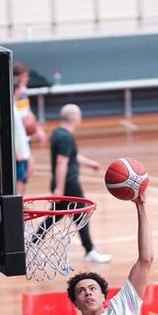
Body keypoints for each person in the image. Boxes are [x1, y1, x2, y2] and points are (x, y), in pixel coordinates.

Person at [50, 104, 110, 264]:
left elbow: (71, 156)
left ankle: (33, 244)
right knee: (81, 215)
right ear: (74, 117)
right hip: (68, 184)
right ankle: (90, 250)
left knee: (56, 217)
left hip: (63, 183)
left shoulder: (58, 133)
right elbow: (61, 162)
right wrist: (60, 189)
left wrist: (91, 164)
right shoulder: (65, 137)